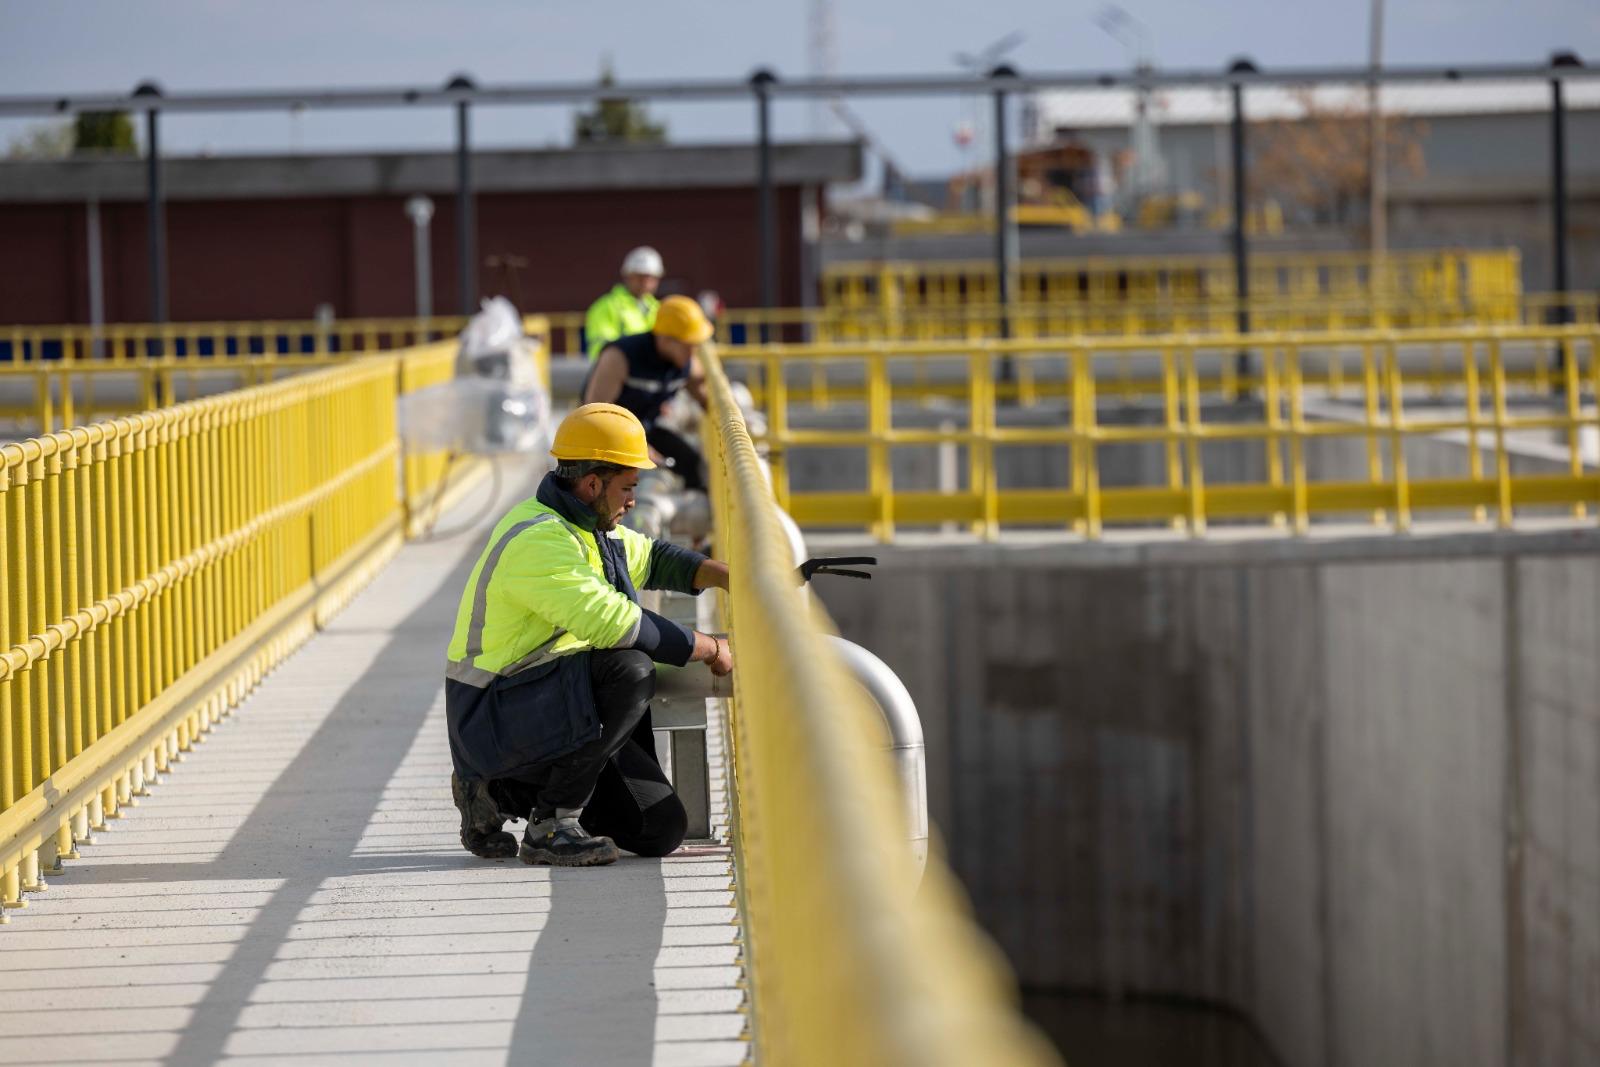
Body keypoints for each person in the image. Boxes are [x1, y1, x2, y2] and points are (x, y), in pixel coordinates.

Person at [444, 402, 733, 867]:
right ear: (593, 483)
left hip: (546, 705)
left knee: (660, 829)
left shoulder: (589, 527)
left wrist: (737, 577)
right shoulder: (538, 539)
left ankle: (503, 793)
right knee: (629, 667)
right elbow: (616, 623)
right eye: (627, 487)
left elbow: (655, 559)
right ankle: (549, 825)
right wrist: (710, 647)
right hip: (493, 715)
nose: (633, 501)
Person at [582, 294, 714, 492]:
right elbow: (595, 415)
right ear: (665, 340)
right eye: (688, 344)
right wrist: (636, 448)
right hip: (605, 438)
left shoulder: (685, 362)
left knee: (691, 463)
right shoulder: (620, 357)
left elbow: (703, 391)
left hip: (643, 430)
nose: (692, 352)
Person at [584, 246, 663, 360]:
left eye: (651, 278)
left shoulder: (659, 309)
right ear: (628, 277)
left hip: (651, 375)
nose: (646, 282)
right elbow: (600, 348)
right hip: (617, 374)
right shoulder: (606, 306)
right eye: (640, 277)